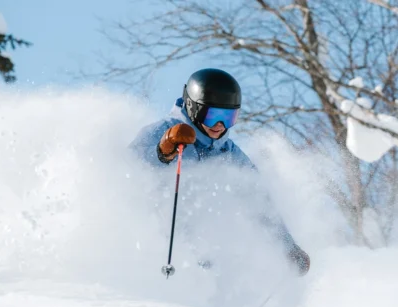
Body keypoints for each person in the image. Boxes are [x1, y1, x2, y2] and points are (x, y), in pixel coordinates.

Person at [130, 68, 310, 276]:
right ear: (193, 107)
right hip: (155, 246)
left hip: (204, 260)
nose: (219, 125)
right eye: (213, 115)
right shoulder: (164, 132)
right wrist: (163, 154)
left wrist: (287, 247)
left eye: (228, 117)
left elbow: (259, 200)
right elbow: (126, 172)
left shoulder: (229, 152)